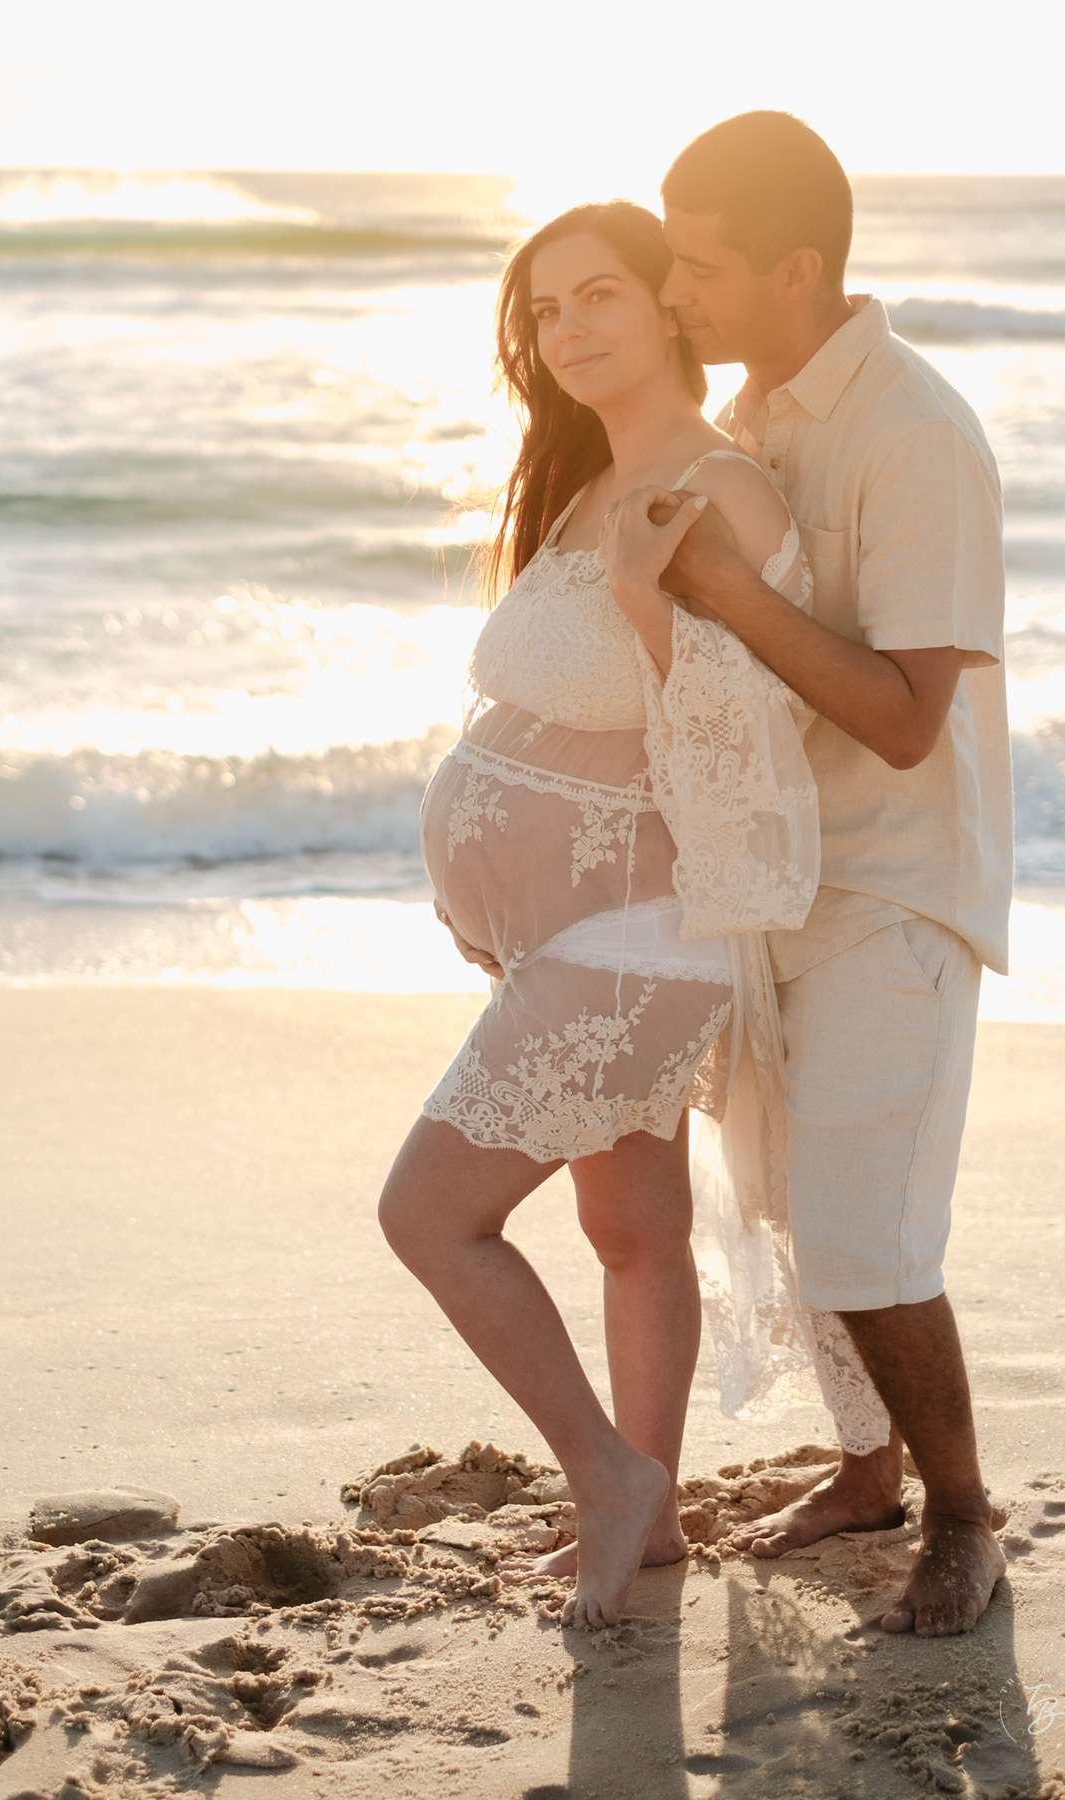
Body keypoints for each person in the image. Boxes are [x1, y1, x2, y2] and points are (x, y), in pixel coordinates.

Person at [379, 199, 856, 1630]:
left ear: (666, 308)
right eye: (542, 312)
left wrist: (656, 602)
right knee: (633, 1231)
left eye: (598, 297)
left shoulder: (728, 491)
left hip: (643, 948)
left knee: (429, 1216)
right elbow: (540, 724)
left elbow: (746, 758)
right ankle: (644, 1507)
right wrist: (497, 887)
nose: (567, 331)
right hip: (573, 944)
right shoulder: (587, 475)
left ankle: (606, 1478)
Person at [613, 111, 1012, 1638]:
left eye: (696, 269)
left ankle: (966, 1518)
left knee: (864, 1226)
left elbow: (911, 722)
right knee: (786, 1199)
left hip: (899, 884)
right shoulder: (763, 408)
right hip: (780, 877)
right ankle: (868, 1470)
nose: (671, 298)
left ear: (798, 268)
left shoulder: (913, 431)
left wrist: (715, 579)